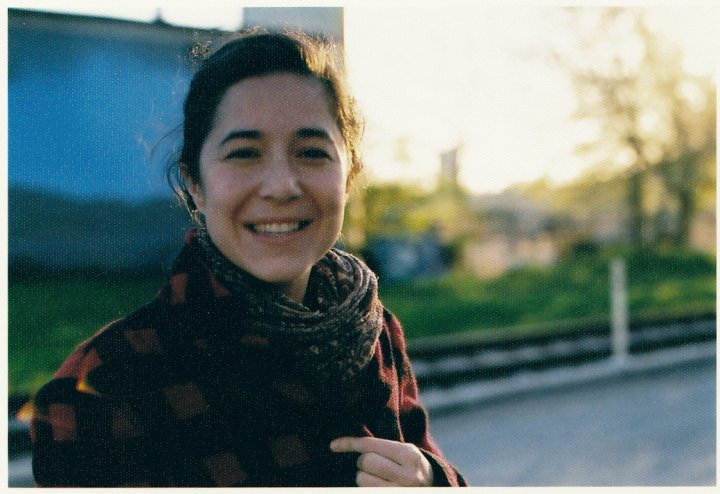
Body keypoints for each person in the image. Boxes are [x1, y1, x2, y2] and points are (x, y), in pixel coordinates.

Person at [28, 29, 467, 487]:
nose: (281, 186)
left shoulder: (375, 332)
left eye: (312, 153)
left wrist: (433, 480)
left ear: (350, 175)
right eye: (244, 154)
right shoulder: (105, 382)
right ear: (194, 184)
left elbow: (427, 458)